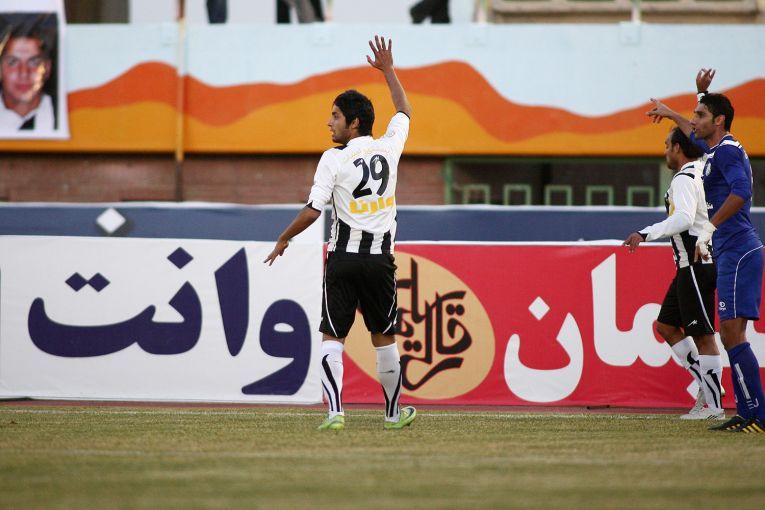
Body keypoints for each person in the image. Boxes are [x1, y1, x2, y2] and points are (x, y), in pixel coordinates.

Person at [264, 36, 415, 431]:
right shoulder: (389, 147)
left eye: (335, 116)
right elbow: (404, 110)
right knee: (384, 337)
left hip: (343, 259)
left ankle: (335, 414)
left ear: (354, 123)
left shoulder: (334, 158)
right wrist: (388, 70)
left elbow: (314, 210)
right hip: (380, 262)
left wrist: (284, 237)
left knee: (333, 336)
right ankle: (393, 415)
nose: (329, 122)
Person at [648, 69, 765, 433]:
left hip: (738, 248)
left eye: (700, 115)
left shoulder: (726, 152)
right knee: (730, 334)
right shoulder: (716, 150)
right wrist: (684, 106)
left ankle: (756, 414)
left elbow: (742, 192)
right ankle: (748, 413)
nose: (693, 120)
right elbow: (693, 129)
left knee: (731, 334)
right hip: (730, 250)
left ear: (719, 121)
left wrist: (710, 228)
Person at [624, 127, 724, 420]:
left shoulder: (683, 178)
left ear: (678, 148)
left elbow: (683, 219)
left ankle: (714, 406)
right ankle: (705, 384)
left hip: (694, 264)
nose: (665, 151)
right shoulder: (701, 170)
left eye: (667, 145)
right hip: (690, 266)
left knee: (703, 335)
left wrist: (645, 233)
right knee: (666, 325)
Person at [0, 24, 56, 132]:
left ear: (47, 68)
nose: (24, 73)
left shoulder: (67, 113)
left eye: (34, 62)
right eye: (13, 62)